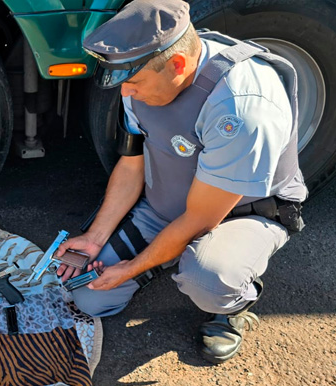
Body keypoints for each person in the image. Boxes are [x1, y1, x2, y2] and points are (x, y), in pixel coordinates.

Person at [56, 0, 307, 364]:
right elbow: (131, 165)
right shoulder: (146, 73)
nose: (125, 94)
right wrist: (94, 239)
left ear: (177, 64)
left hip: (243, 214)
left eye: (134, 84)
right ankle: (162, 255)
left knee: (206, 278)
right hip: (169, 204)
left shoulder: (240, 106)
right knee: (91, 298)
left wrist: (130, 267)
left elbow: (199, 220)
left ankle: (232, 304)